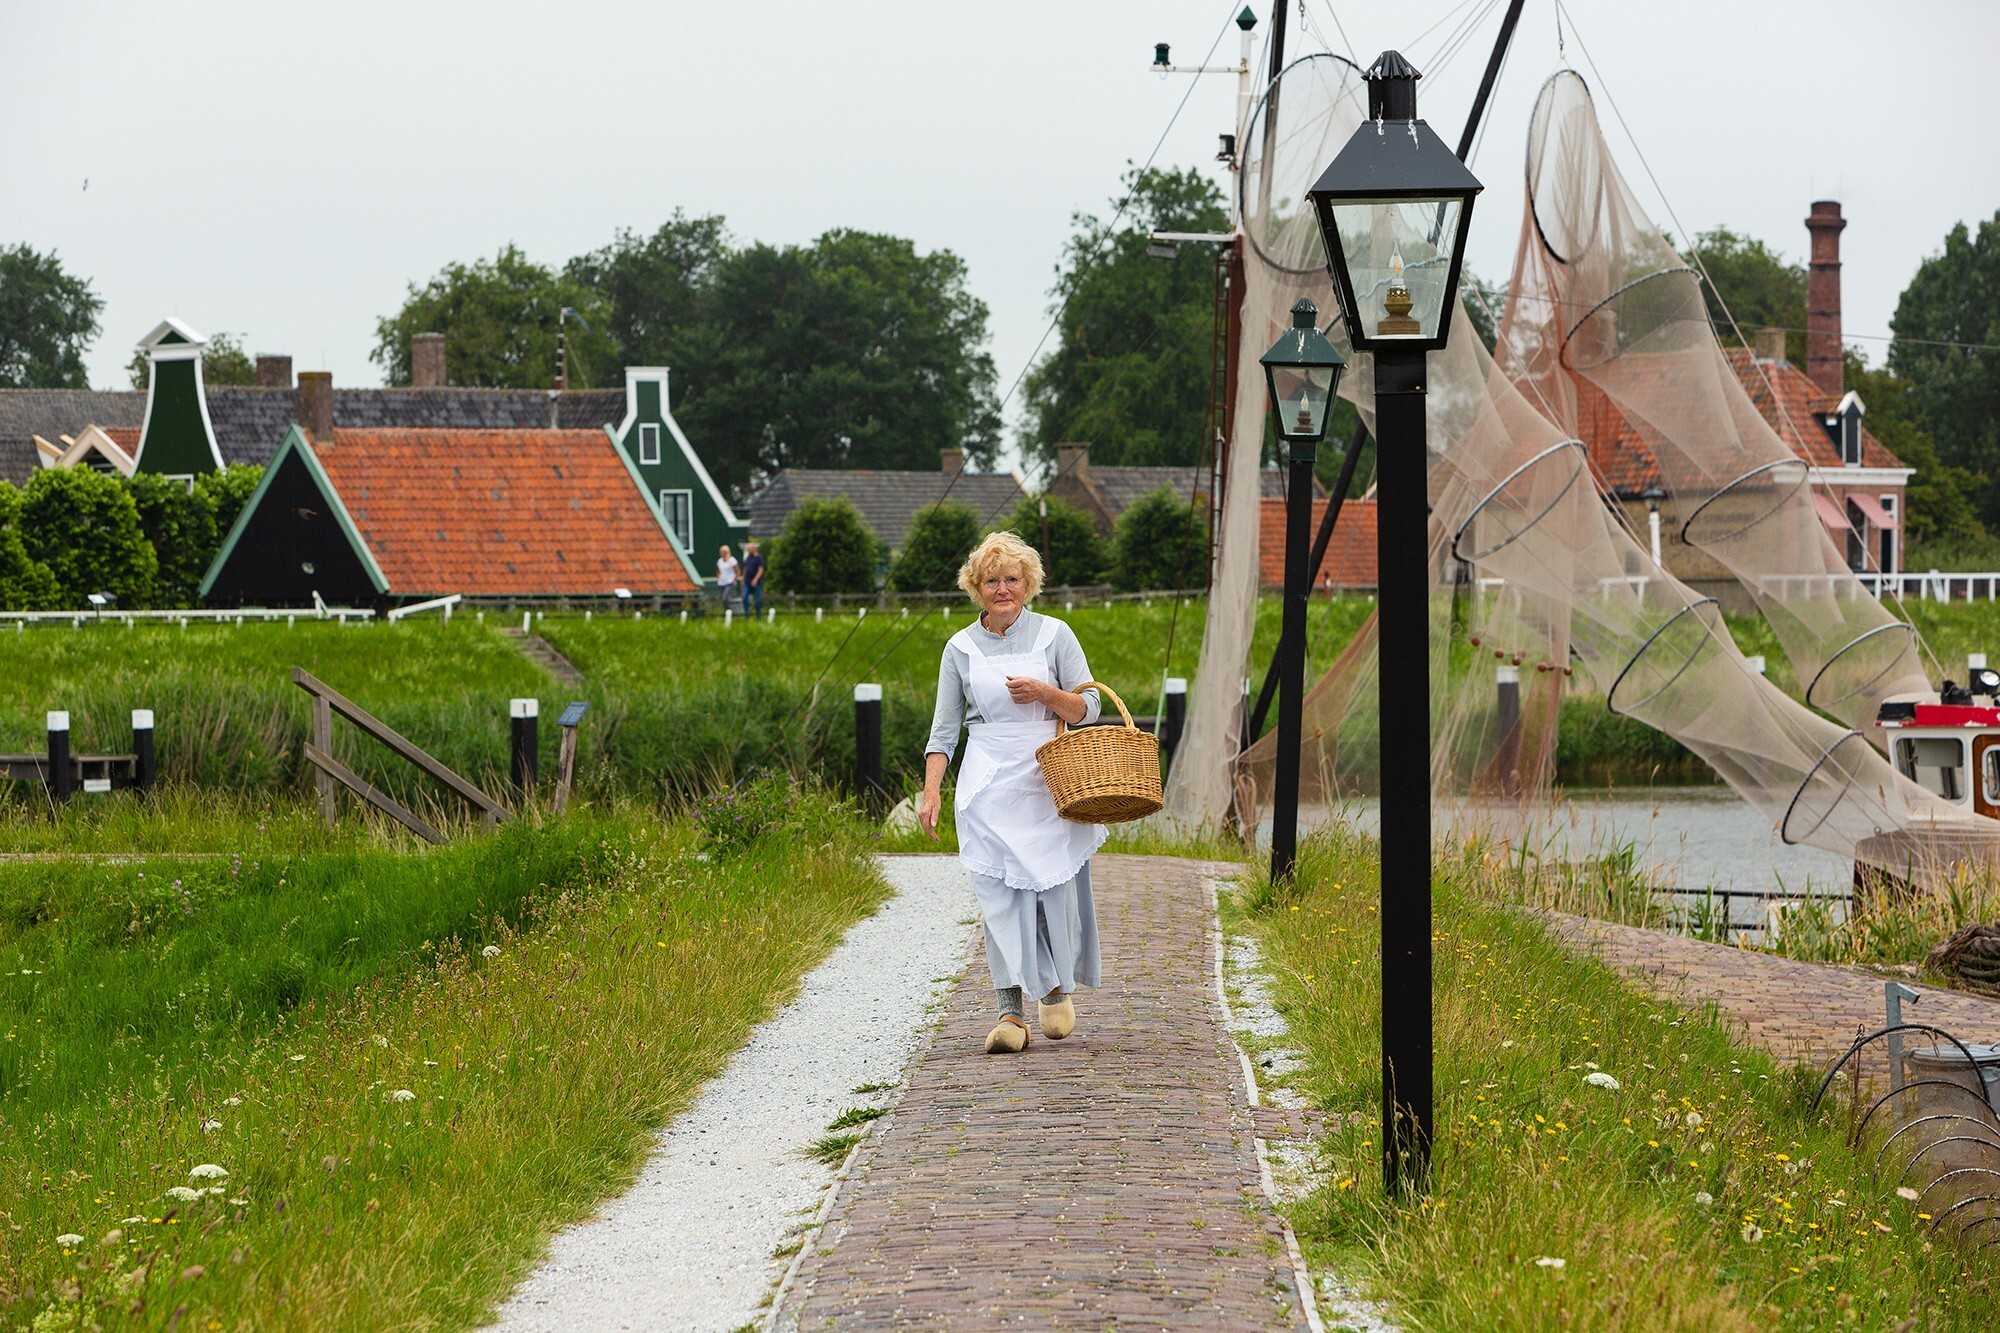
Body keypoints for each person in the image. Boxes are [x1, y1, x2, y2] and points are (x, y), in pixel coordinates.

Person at [920, 532, 1107, 1054]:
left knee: (1048, 892)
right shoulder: (958, 648)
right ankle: (1010, 1012)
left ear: (1028, 584)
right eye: (991, 580)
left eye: (1012, 579)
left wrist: (1047, 694)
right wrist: (931, 791)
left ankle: (1054, 989)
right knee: (998, 896)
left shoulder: (1055, 635)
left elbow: (1090, 708)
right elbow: (943, 732)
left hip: (1047, 776)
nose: (1002, 589)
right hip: (986, 781)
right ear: (975, 587)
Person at [741, 541, 765, 616]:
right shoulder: (748, 557)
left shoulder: (759, 558)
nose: (748, 551)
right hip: (747, 582)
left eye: (749, 549)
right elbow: (746, 568)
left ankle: (758, 616)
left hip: (756, 583)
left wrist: (755, 579)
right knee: (744, 598)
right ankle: (746, 614)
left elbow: (760, 570)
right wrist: (743, 579)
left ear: (754, 549)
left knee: (757, 600)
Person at [714, 544, 738, 613]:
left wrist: (734, 579)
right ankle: (725, 611)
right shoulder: (719, 561)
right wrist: (718, 578)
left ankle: (729, 612)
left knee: (725, 598)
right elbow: (718, 571)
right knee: (723, 599)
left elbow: (737, 571)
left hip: (729, 582)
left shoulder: (732, 560)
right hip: (721, 582)